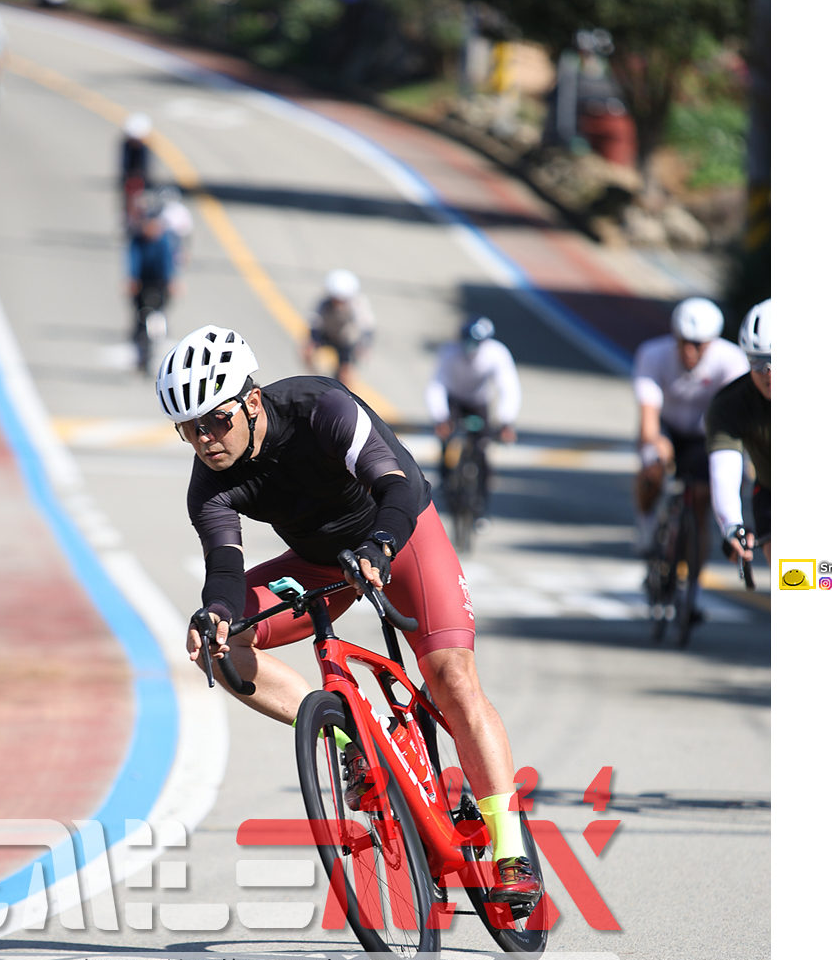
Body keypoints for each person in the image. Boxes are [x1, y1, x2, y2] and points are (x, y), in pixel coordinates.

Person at [157, 325, 542, 909]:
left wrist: (379, 546)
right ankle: (355, 735)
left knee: (452, 677)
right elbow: (226, 570)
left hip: (400, 537)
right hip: (319, 564)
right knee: (221, 646)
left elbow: (399, 485)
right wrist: (214, 613)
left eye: (215, 420)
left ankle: (511, 849)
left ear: (251, 401)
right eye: (189, 429)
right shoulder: (208, 485)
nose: (205, 439)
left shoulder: (321, 408)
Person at [631, 298, 748, 624]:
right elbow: (648, 420)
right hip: (666, 427)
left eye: (699, 344)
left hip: (705, 434)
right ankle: (647, 530)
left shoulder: (731, 361)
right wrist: (656, 445)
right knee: (652, 467)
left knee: (700, 502)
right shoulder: (653, 354)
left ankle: (692, 593)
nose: (690, 351)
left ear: (712, 342)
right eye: (684, 342)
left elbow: (735, 421)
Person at [425, 316, 522, 532]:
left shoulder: (497, 354)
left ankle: (482, 508)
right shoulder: (449, 352)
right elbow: (436, 386)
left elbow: (509, 388)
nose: (471, 348)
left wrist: (506, 421)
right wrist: (440, 417)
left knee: (483, 450)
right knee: (447, 440)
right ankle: (445, 479)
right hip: (454, 401)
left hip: (479, 403)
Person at [707, 300, 771, 566]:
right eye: (759, 362)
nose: (769, 373)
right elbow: (725, 471)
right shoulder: (730, 404)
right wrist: (732, 525)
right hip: (772, 492)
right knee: (794, 576)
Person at [125, 196, 179, 374]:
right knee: (140, 318)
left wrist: (172, 281)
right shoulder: (138, 240)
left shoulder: (164, 241)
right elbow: (133, 260)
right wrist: (131, 279)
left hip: (159, 282)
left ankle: (157, 344)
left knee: (159, 314)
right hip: (143, 282)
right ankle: (141, 354)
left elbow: (168, 264)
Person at [304, 270, 375, 389]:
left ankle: (345, 391)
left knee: (346, 373)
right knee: (306, 352)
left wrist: (364, 346)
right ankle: (317, 381)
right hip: (328, 336)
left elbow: (367, 325)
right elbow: (315, 321)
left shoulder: (358, 304)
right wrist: (313, 342)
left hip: (347, 342)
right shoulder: (324, 303)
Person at [120, 113, 153, 222]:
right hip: (131, 178)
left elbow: (146, 166)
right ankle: (130, 219)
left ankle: (139, 219)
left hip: (139, 179)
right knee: (130, 201)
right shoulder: (127, 146)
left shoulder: (143, 148)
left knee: (140, 202)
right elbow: (124, 164)